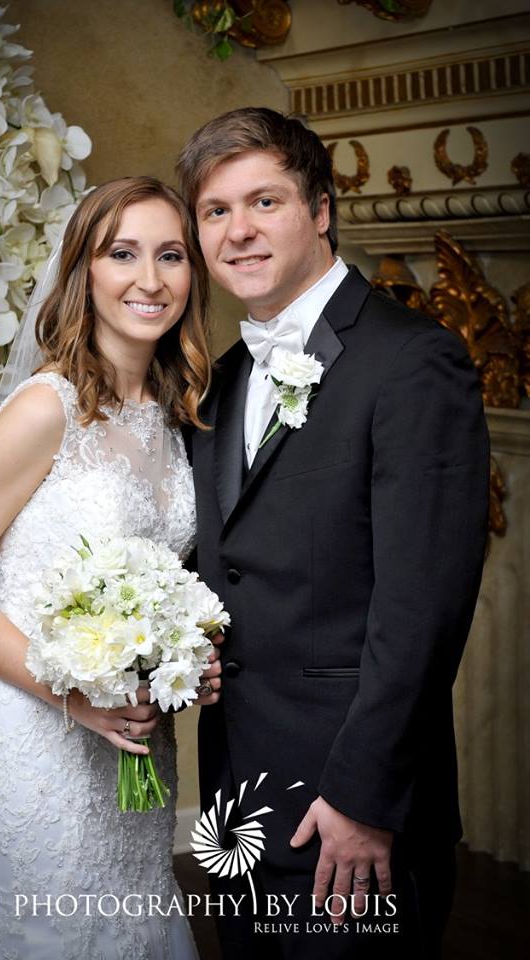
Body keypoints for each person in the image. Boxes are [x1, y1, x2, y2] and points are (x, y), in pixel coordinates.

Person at [178, 107, 490, 959]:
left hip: (349, 809)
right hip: (236, 800)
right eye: (214, 211)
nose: (238, 231)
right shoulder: (220, 379)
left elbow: (421, 607)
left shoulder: (411, 360)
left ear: (319, 211)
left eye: (264, 202)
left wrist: (363, 796)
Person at [0, 176, 221, 960]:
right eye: (123, 253)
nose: (149, 280)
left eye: (171, 255)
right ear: (84, 270)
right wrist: (72, 696)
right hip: (31, 739)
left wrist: (179, 662)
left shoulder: (172, 413)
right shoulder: (44, 409)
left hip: (132, 742)